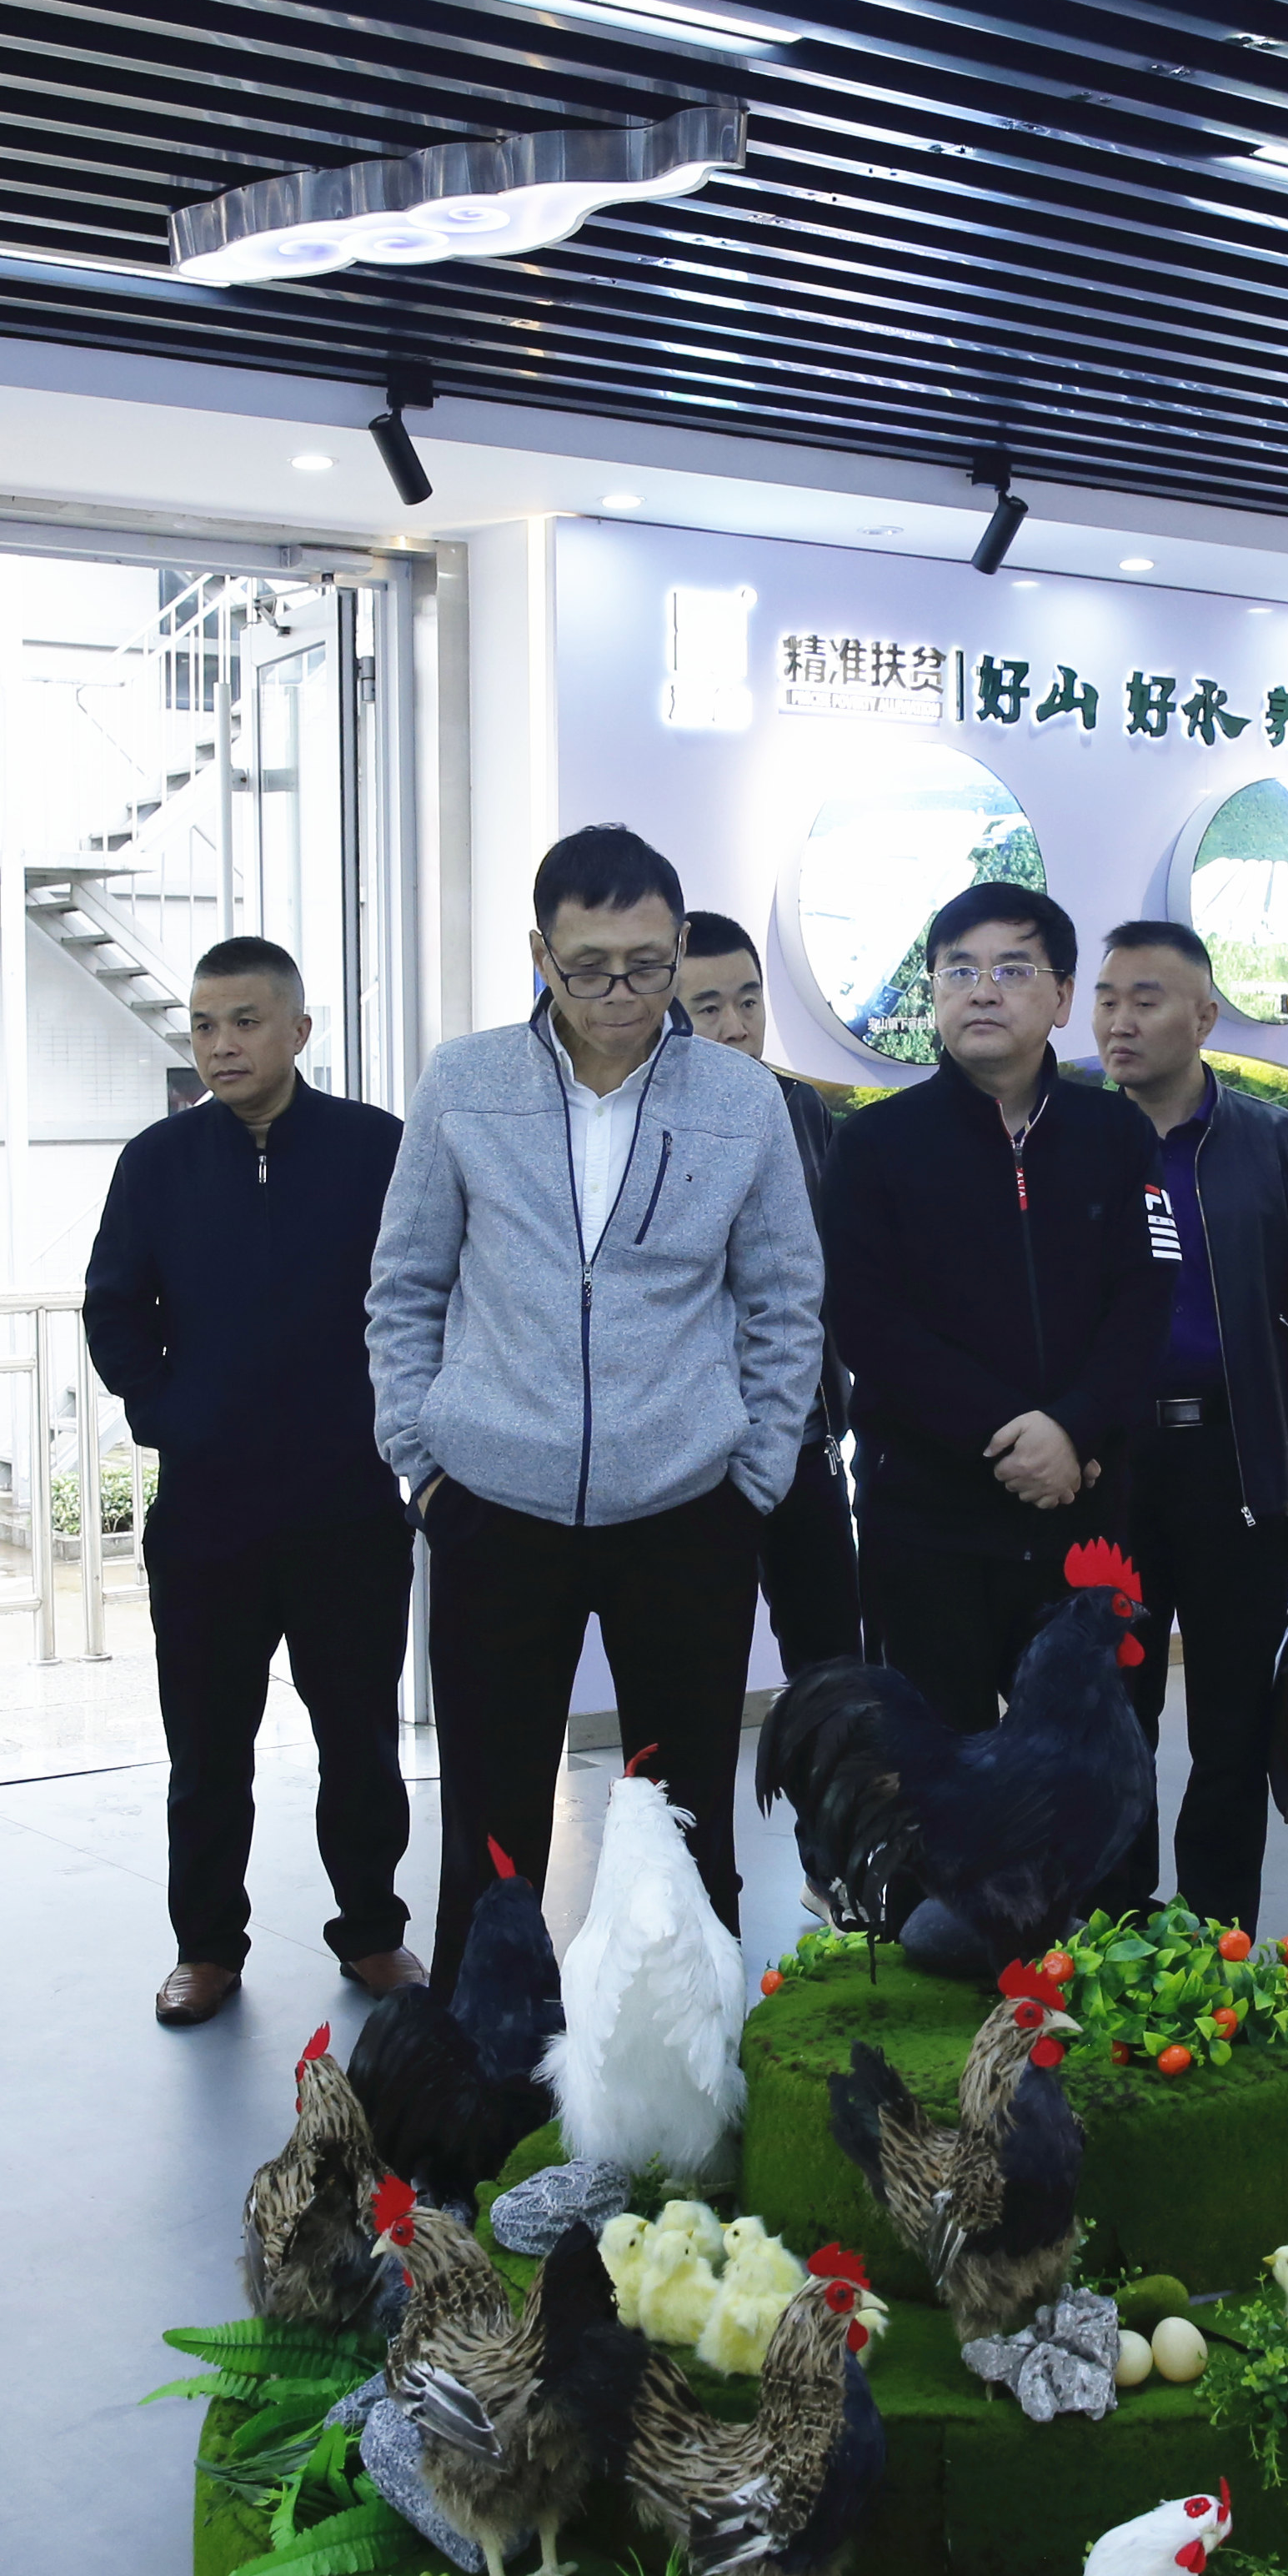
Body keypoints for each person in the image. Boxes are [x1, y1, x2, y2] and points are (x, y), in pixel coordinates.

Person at [368, 826, 823, 1949]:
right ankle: (487, 2047)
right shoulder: (464, 1083)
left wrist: (754, 1480)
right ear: (540, 953)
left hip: (687, 1512)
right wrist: (422, 1465)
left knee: (684, 1822)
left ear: (678, 944)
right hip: (493, 1507)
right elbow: (406, 1283)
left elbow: (782, 1300)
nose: (621, 995)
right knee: (492, 1828)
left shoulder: (740, 1100)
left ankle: (688, 2041)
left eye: (648, 966)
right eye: (588, 969)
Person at [83, 937, 417, 2029]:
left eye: (245, 1022)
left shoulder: (377, 1150)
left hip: (348, 1505)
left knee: (359, 1740)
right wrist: (168, 1412)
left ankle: (373, 1930)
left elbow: (431, 1294)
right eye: (204, 1026)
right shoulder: (158, 1162)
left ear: (299, 1030)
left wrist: (399, 1424)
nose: (221, 1045)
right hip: (208, 1512)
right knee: (207, 1748)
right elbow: (112, 1308)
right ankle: (206, 1947)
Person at [822, 881, 1172, 1734]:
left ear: (1062, 998)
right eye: (960, 971)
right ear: (934, 992)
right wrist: (1020, 1436)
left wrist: (1074, 1429)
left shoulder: (1117, 1134)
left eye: (1013, 970)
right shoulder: (873, 1145)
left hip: (1084, 1515)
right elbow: (867, 1322)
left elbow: (1147, 1296)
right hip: (927, 1522)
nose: (983, 991)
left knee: (1090, 1771)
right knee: (937, 1776)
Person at [1081, 920, 1288, 1928]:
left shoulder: (1275, 1144)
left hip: (1237, 1469)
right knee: (1111, 1720)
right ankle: (1111, 1930)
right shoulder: (1071, 1138)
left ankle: (1215, 1939)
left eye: (1145, 999)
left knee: (1233, 1728)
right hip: (1108, 1475)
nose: (1118, 1021)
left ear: (1204, 1016)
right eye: (1107, 998)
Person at [674, 909, 859, 1670]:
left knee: (834, 1670)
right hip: (689, 1455)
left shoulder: (800, 1107)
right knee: (695, 1671)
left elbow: (826, 1269)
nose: (736, 1025)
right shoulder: (650, 1121)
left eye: (749, 1000)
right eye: (708, 1007)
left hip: (801, 1434)